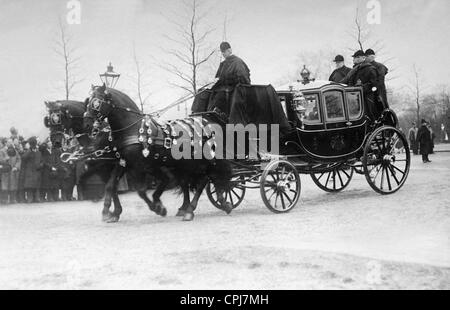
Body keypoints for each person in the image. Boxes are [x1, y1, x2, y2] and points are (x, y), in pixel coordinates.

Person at [207, 42, 251, 117]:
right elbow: (218, 78)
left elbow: (243, 79)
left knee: (220, 94)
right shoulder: (223, 64)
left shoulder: (237, 62)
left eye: (225, 51)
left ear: (230, 50)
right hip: (223, 87)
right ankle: (202, 113)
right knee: (205, 93)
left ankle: (219, 114)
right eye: (222, 52)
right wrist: (214, 83)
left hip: (235, 89)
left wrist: (229, 81)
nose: (223, 53)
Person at [340, 50, 380, 120]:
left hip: (368, 98)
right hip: (356, 98)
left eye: (356, 57)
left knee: (370, 115)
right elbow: (347, 80)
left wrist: (361, 88)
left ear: (363, 58)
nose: (354, 59)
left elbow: (374, 85)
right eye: (354, 57)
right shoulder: (354, 70)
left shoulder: (370, 69)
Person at [21, 137, 42, 203]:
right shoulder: (28, 152)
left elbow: (42, 161)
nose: (34, 146)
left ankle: (36, 198)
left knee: (36, 186)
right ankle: (30, 198)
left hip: (37, 171)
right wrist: (30, 150)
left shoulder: (39, 152)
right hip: (29, 171)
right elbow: (23, 158)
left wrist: (40, 165)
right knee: (29, 186)